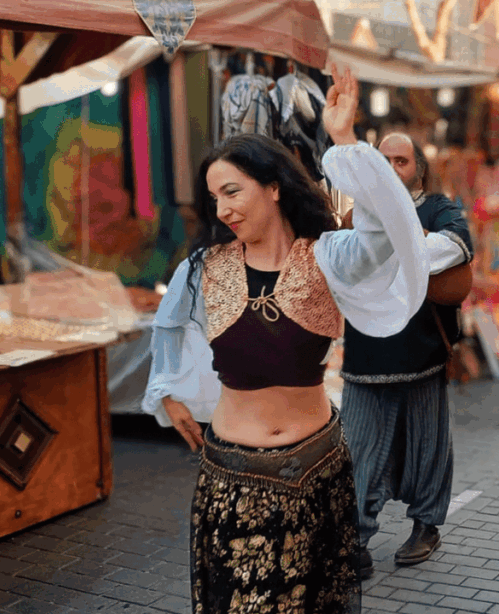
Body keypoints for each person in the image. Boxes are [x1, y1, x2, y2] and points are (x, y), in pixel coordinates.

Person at [141, 67, 429, 613]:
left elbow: (385, 231)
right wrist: (167, 391)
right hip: (230, 479)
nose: (222, 209)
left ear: (273, 188)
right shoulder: (203, 269)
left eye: (232, 191)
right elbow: (168, 326)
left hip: (316, 471)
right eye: (214, 197)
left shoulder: (327, 257)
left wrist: (345, 140)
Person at [340, 133, 473, 577]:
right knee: (357, 451)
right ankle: (354, 538)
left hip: (421, 353)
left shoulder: (438, 208)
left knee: (427, 446)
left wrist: (394, 240)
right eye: (385, 160)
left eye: (402, 160)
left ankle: (426, 527)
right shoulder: (357, 214)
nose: (393, 168)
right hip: (365, 356)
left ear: (419, 169)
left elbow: (455, 246)